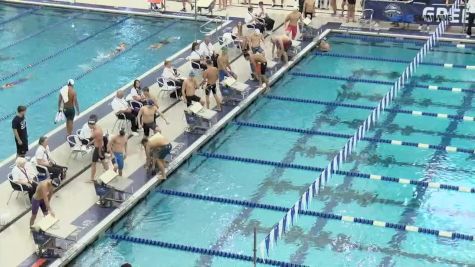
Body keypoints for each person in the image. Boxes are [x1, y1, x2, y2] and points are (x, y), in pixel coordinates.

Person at [89, 117, 109, 182]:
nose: (89, 127)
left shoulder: (96, 132)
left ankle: (92, 179)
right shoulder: (97, 127)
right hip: (100, 147)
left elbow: (100, 141)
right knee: (103, 161)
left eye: (89, 126)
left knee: (93, 163)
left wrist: (100, 152)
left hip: (98, 148)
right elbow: (97, 138)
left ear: (91, 125)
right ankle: (109, 173)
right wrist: (90, 143)